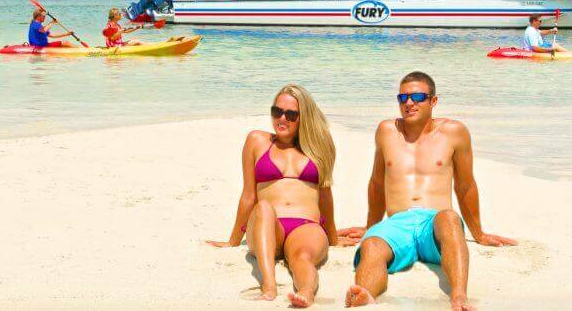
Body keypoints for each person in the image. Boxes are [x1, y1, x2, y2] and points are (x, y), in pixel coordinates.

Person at [342, 72, 516, 311]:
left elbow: (465, 186)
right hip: (397, 223)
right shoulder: (386, 130)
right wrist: (370, 225)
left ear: (433, 101)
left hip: (434, 222)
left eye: (417, 97)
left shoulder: (455, 132)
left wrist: (479, 233)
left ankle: (458, 298)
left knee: (451, 217)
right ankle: (364, 296)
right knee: (371, 245)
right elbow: (377, 183)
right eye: (403, 97)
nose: (409, 103)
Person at [205, 84, 355, 308]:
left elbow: (325, 196)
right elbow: (248, 195)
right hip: (268, 226)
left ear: (304, 117)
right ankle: (269, 286)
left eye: (291, 114)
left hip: (306, 226)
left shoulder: (321, 145)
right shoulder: (256, 141)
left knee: (303, 257)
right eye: (277, 112)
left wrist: (332, 238)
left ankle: (306, 292)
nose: (281, 118)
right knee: (264, 207)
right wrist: (233, 240)